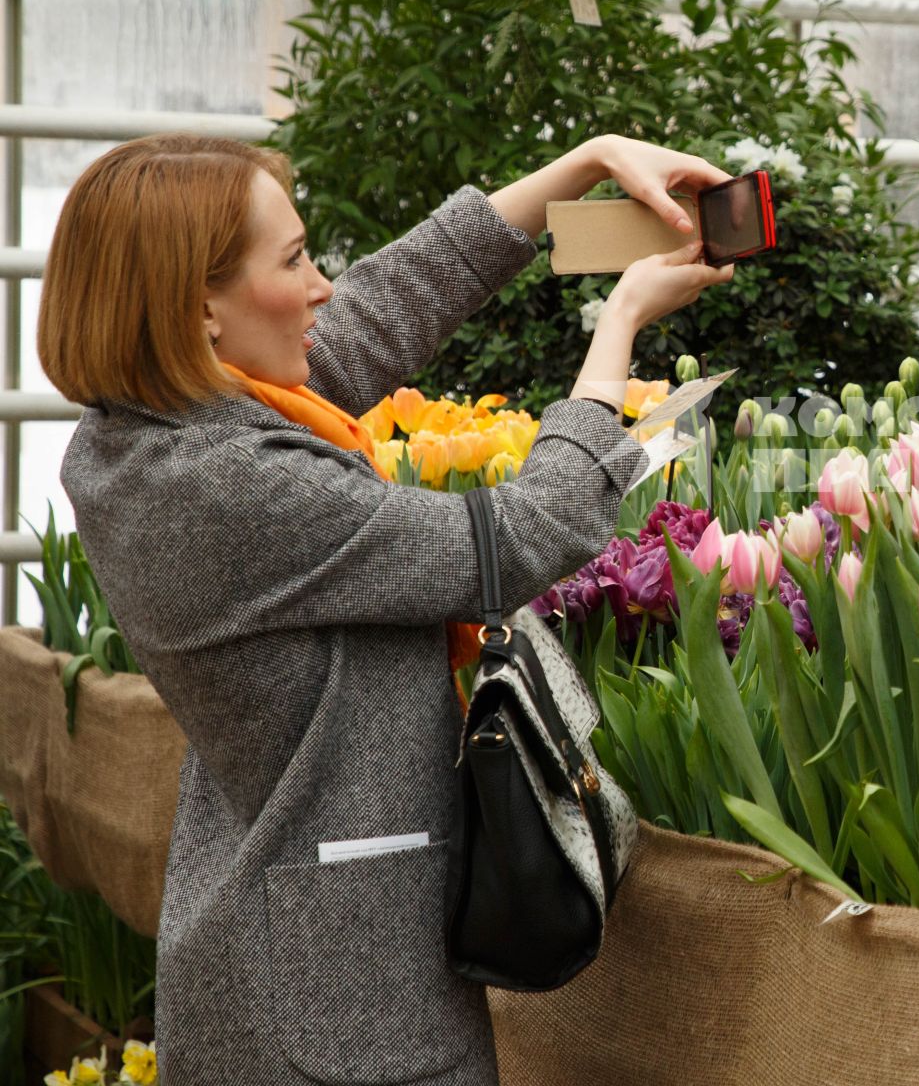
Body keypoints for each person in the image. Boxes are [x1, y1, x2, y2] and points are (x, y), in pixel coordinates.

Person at [39, 133, 732, 1084]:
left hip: (289, 946)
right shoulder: (227, 486)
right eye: (293, 261)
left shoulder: (153, 428)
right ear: (200, 309)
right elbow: (518, 539)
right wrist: (618, 331)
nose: (324, 285)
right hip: (338, 1006)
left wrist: (582, 166)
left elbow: (376, 313)